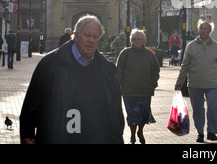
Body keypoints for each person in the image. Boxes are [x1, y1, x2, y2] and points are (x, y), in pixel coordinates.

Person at [19, 15, 124, 144]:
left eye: (95, 37)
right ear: (75, 35)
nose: (91, 40)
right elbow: (33, 101)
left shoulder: (107, 69)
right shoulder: (51, 64)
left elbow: (115, 109)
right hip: (62, 137)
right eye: (87, 35)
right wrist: (27, 133)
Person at [175, 20, 217, 143]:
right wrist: (179, 82)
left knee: (212, 107)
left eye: (206, 29)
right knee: (198, 110)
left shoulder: (215, 46)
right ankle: (200, 133)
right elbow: (185, 65)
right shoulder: (191, 46)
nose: (203, 31)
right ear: (198, 30)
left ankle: (212, 131)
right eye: (201, 28)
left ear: (210, 31)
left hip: (212, 84)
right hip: (195, 84)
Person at [116, 29, 160, 144]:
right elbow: (119, 70)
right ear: (131, 40)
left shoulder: (149, 54)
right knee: (132, 115)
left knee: (143, 115)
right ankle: (132, 135)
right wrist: (119, 85)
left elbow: (156, 69)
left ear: (143, 40)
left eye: (139, 39)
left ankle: (140, 131)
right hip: (129, 91)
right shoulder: (125, 53)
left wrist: (153, 82)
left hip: (145, 90)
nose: (137, 41)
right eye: (134, 39)